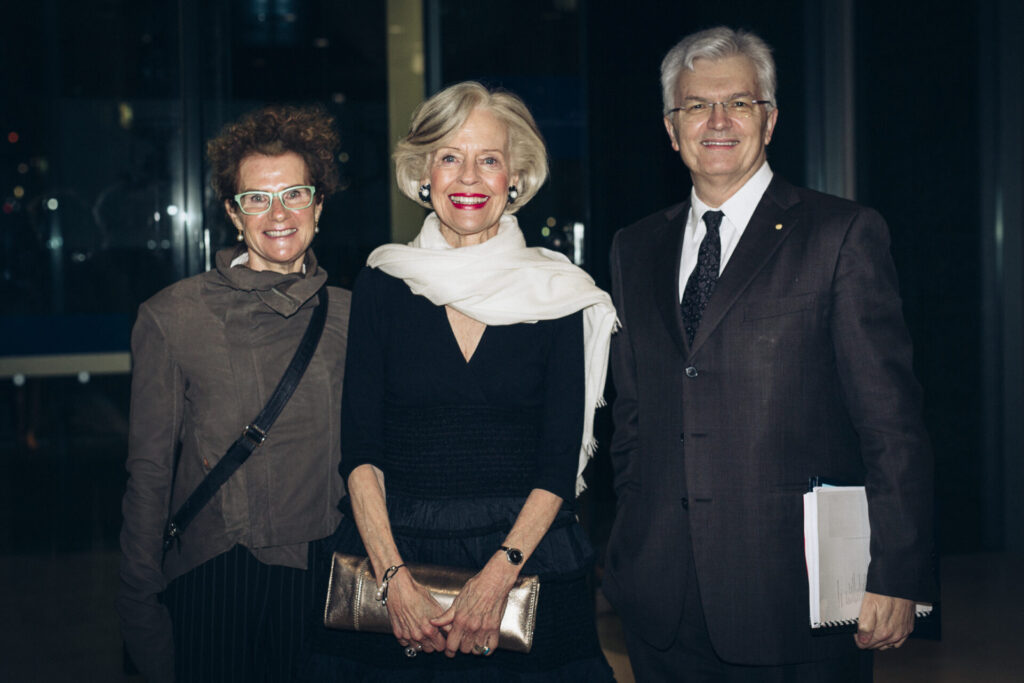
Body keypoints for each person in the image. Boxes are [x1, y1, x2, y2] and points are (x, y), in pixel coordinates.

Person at [603, 27, 935, 681]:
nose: (718, 121)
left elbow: (891, 423)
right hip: (660, 601)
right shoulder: (634, 247)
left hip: (795, 600)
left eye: (740, 103)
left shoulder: (841, 234)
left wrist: (897, 573)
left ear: (771, 118)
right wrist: (628, 549)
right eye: (697, 105)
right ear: (672, 129)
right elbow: (632, 419)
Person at [304, 81, 617, 681]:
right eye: (450, 156)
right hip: (397, 558)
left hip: (527, 561)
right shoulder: (382, 281)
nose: (469, 176)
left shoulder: (558, 292)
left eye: (489, 159)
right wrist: (391, 577)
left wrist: (498, 577)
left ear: (515, 178)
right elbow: (361, 450)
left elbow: (559, 464)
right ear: (425, 174)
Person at [117, 104, 352, 683]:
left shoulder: (357, 316)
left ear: (318, 206)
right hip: (219, 578)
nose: (278, 213)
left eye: (295, 194)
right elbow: (148, 474)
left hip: (330, 577)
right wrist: (138, 607)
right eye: (257, 198)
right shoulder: (174, 316)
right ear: (232, 211)